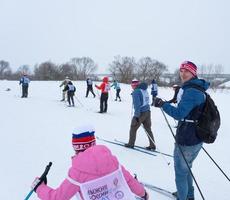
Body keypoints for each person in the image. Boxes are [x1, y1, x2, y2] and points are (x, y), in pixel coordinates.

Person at [31, 125, 149, 200]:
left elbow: (58, 197)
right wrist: (143, 193)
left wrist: (39, 187)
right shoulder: (112, 160)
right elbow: (129, 181)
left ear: (76, 147)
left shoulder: (77, 172)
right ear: (93, 143)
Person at [153, 61, 210, 200]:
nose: (183, 74)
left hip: (187, 139)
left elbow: (179, 114)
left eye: (187, 71)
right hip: (195, 137)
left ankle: (182, 196)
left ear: (193, 73)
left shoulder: (191, 91)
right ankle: (188, 195)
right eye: (181, 70)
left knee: (180, 172)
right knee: (186, 169)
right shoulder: (196, 88)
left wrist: (162, 104)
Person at [125, 79, 156, 150]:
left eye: (132, 85)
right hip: (147, 111)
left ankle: (131, 144)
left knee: (133, 127)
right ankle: (152, 145)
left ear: (134, 85)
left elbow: (137, 105)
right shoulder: (144, 90)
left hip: (141, 113)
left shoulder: (136, 92)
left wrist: (136, 116)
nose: (131, 87)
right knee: (148, 129)